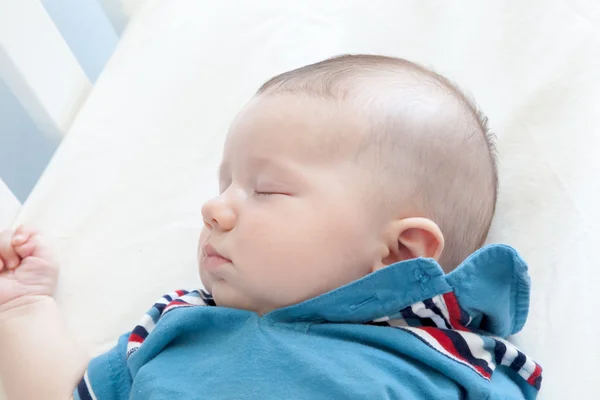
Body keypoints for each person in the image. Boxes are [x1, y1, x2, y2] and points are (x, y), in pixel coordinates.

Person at [0, 55, 542, 399]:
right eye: (223, 184)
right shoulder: (178, 326)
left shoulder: (439, 360)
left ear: (399, 250)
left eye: (266, 190)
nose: (214, 210)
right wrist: (23, 309)